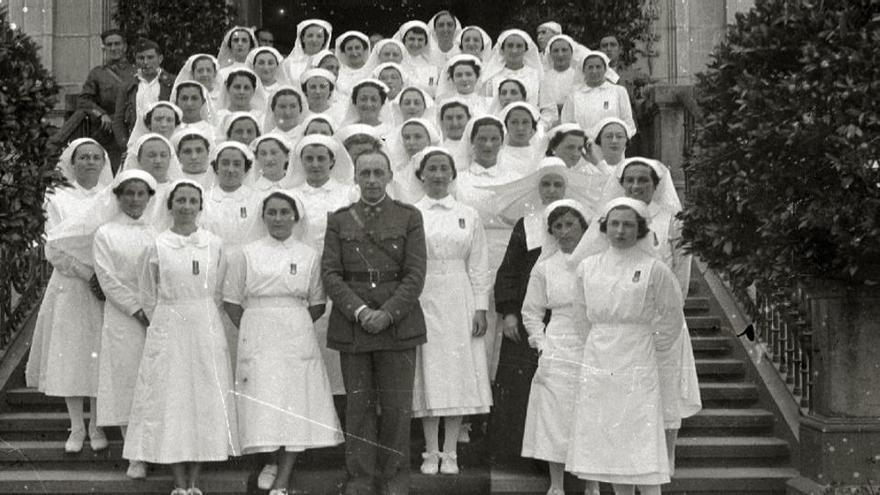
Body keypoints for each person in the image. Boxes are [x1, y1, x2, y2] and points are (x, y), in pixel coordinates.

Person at [122, 180, 239, 495]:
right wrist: (164, 321)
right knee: (170, 398)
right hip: (169, 324)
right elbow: (148, 294)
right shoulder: (156, 245)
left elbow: (218, 292)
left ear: (201, 206)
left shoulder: (214, 244)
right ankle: (178, 483)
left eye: (192, 201)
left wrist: (201, 316)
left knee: (205, 396)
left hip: (204, 325)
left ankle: (195, 481)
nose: (186, 206)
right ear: (170, 205)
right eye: (181, 200)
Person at [223, 190, 344, 495]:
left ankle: (283, 478)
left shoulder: (308, 255)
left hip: (295, 333)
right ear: (263, 217)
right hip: (258, 331)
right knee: (265, 398)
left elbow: (317, 302)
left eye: (284, 212)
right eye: (272, 212)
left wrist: (291, 322)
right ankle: (270, 461)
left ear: (295, 217)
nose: (278, 218)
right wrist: (255, 326)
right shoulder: (246, 253)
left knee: (294, 401)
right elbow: (232, 301)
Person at [321, 149, 427, 495]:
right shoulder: (339, 220)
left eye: (377, 173)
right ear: (355, 177)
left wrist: (388, 313)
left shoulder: (408, 217)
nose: (371, 180)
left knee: (396, 409)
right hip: (354, 326)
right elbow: (332, 274)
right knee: (358, 408)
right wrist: (362, 312)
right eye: (364, 173)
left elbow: (414, 273)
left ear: (389, 176)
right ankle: (361, 481)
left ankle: (394, 480)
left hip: (398, 325)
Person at [565, 197, 686, 494]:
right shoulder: (588, 267)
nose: (620, 231)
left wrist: (650, 347)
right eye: (615, 224)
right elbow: (580, 318)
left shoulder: (654, 269)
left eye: (628, 225)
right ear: (604, 228)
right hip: (599, 358)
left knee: (638, 436)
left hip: (638, 357)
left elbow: (672, 317)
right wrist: (597, 345)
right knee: (608, 441)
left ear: (640, 230)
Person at [483, 156, 591, 464]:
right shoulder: (527, 223)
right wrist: (508, 313)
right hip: (526, 315)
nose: (552, 189)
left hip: (567, 317)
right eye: (546, 183)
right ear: (538, 187)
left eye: (558, 183)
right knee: (521, 385)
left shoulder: (582, 222)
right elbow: (509, 271)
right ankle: (520, 455)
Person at [26, 139, 113, 455]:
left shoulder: (112, 196)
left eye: (96, 157)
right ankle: (76, 425)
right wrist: (87, 273)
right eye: (84, 157)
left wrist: (104, 276)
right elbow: (54, 246)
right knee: (72, 355)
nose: (90, 162)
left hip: (105, 286)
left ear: (104, 163)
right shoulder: (58, 197)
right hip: (71, 284)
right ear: (73, 163)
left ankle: (97, 425)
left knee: (101, 355)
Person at [410, 147, 492, 476]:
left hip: (460, 296)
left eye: (445, 168)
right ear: (421, 174)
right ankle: (431, 450)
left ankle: (451, 451)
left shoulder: (468, 214)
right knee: (429, 368)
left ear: (452, 174)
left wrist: (481, 307)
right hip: (424, 295)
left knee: (457, 371)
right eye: (432, 168)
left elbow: (479, 263)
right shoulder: (412, 213)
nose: (439, 174)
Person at [520, 199, 599, 495]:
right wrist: (540, 343)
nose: (564, 232)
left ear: (583, 227)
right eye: (558, 226)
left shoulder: (597, 263)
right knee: (554, 413)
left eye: (571, 225)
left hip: (592, 343)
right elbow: (531, 311)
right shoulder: (545, 267)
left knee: (591, 412)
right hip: (557, 343)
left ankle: (593, 486)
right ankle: (556, 486)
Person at [91, 170, 159, 480]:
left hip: (157, 317)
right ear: (118, 197)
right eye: (128, 193)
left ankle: (155, 447)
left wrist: (156, 311)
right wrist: (138, 310)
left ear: (149, 198)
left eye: (140, 194)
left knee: (154, 382)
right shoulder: (105, 233)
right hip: (124, 317)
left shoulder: (159, 232)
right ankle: (133, 454)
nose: (134, 199)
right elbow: (107, 278)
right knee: (125, 379)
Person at [290, 134, 356, 401]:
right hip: (303, 276)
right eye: (309, 159)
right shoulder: (291, 196)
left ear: (332, 161)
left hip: (341, 276)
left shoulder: (349, 193)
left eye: (321, 159)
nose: (315, 164)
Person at [76, 29, 136, 171]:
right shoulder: (97, 74)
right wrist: (101, 114)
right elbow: (84, 100)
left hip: (133, 131)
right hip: (109, 136)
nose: (113, 48)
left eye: (117, 44)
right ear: (104, 48)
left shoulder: (136, 72)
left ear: (125, 46)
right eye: (109, 45)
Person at [113, 39, 175, 152]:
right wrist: (125, 145)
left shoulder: (172, 83)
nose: (145, 62)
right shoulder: (128, 86)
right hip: (136, 144)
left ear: (160, 59)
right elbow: (118, 119)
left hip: (166, 142)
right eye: (141, 58)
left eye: (150, 57)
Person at [560, 50, 635, 139]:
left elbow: (628, 123)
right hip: (582, 147)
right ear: (583, 70)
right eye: (590, 67)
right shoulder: (574, 95)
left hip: (612, 145)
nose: (594, 71)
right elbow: (566, 124)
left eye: (598, 67)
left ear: (605, 69)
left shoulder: (619, 92)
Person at [393, 21, 439, 95]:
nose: (416, 44)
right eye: (411, 39)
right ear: (404, 40)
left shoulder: (433, 64)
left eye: (420, 40)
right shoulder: (395, 63)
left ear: (426, 42)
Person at [283, 19, 333, 85]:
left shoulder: (332, 63)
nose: (314, 40)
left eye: (319, 36)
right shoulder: (288, 63)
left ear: (324, 40)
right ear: (303, 38)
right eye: (310, 36)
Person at [335, 31, 372, 96]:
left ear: (364, 49)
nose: (354, 53)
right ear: (344, 52)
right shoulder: (337, 72)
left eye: (357, 48)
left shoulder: (372, 70)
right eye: (349, 49)